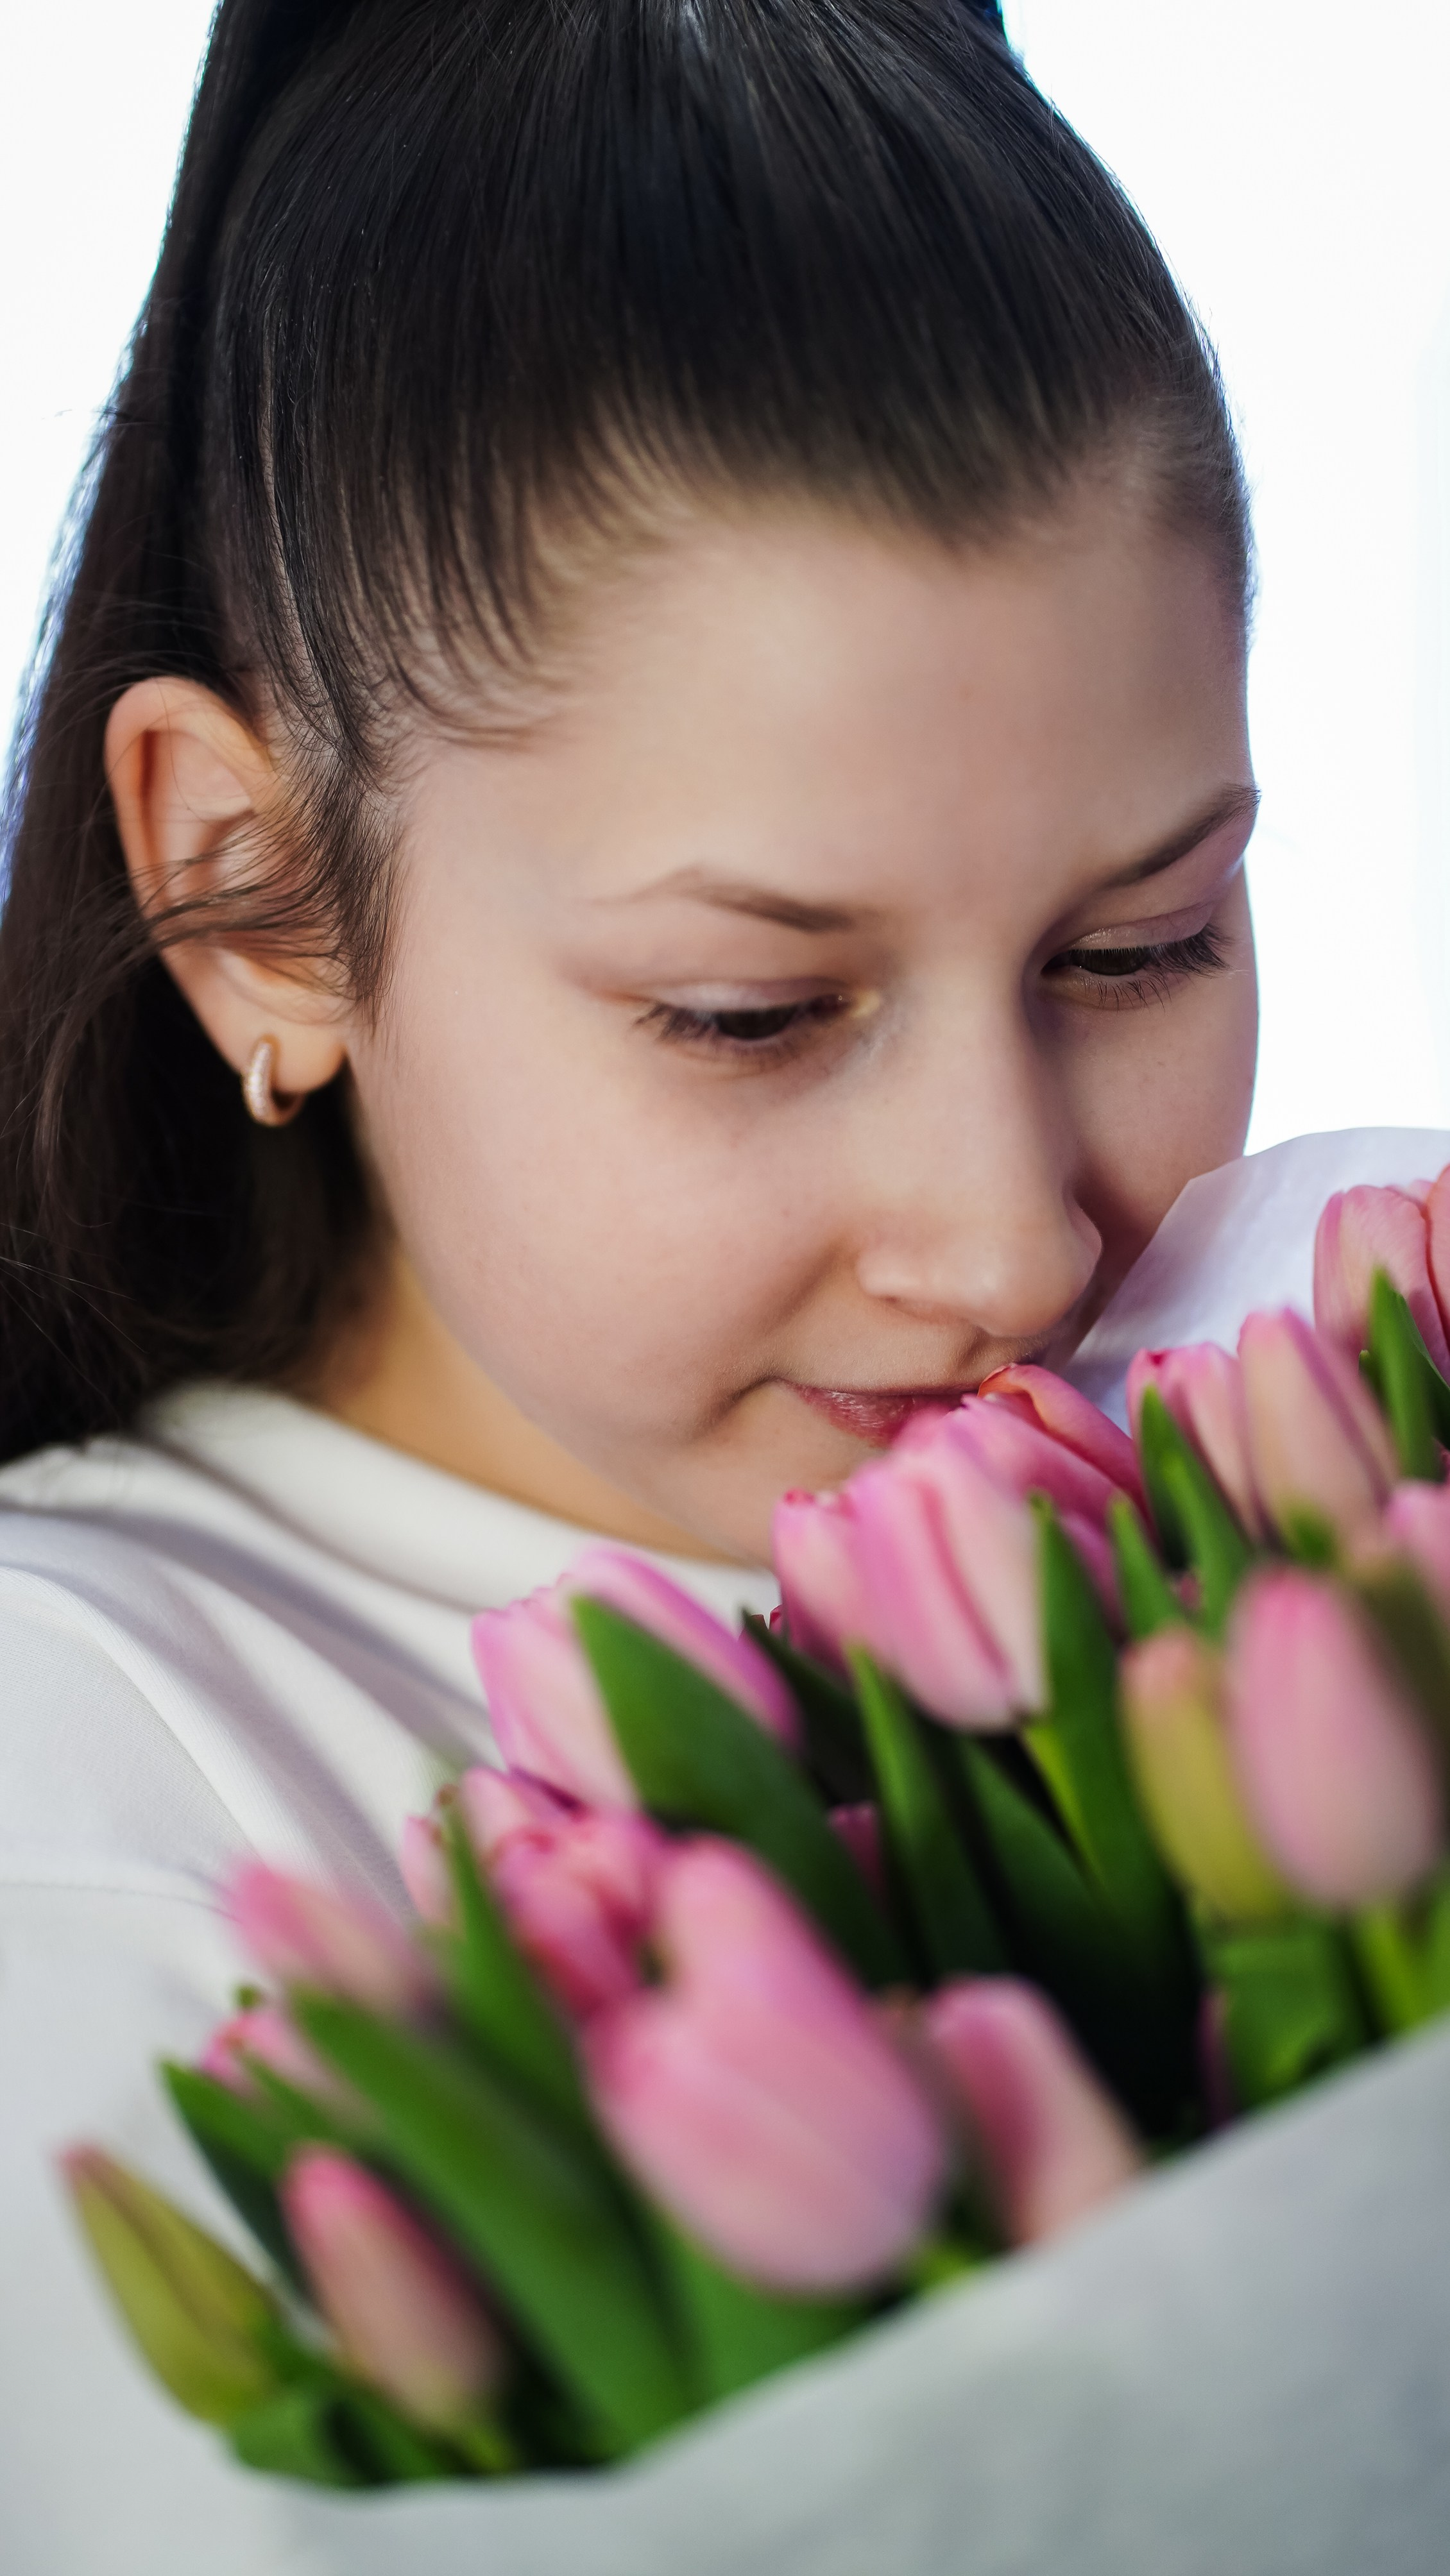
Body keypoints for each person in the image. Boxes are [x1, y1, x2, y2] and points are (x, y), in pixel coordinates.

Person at [0, 4, 1429, 2568]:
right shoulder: (82, 1793)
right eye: (751, 1013)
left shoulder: (1330, 1379)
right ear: (252, 891)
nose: (1011, 1239)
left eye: (1142, 944)